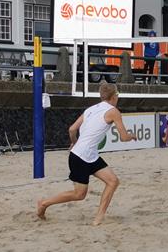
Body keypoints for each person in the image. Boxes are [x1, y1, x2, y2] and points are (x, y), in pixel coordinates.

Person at [37, 81, 131, 225]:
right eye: (117, 94)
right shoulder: (113, 111)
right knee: (79, 194)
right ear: (114, 96)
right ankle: (44, 203)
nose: (118, 97)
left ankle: (99, 218)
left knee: (113, 181)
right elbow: (124, 138)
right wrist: (132, 136)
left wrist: (74, 142)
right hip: (80, 157)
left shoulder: (90, 109)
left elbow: (72, 129)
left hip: (89, 155)